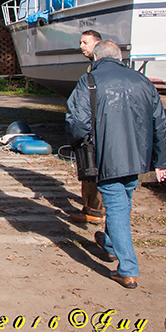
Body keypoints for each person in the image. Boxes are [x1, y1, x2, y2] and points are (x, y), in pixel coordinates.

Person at [65, 40, 166, 289]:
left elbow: (77, 122)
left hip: (108, 156)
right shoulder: (142, 81)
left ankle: (128, 270)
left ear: (96, 57)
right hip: (137, 157)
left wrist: (76, 142)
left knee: (117, 209)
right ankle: (111, 245)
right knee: (123, 201)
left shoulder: (89, 81)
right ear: (120, 57)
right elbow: (160, 123)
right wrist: (163, 160)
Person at [66, 29, 105, 224]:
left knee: (92, 170)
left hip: (95, 130)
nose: (81, 46)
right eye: (81, 42)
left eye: (85, 43)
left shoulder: (96, 71)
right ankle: (93, 208)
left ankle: (94, 211)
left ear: (97, 44)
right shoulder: (94, 67)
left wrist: (76, 134)